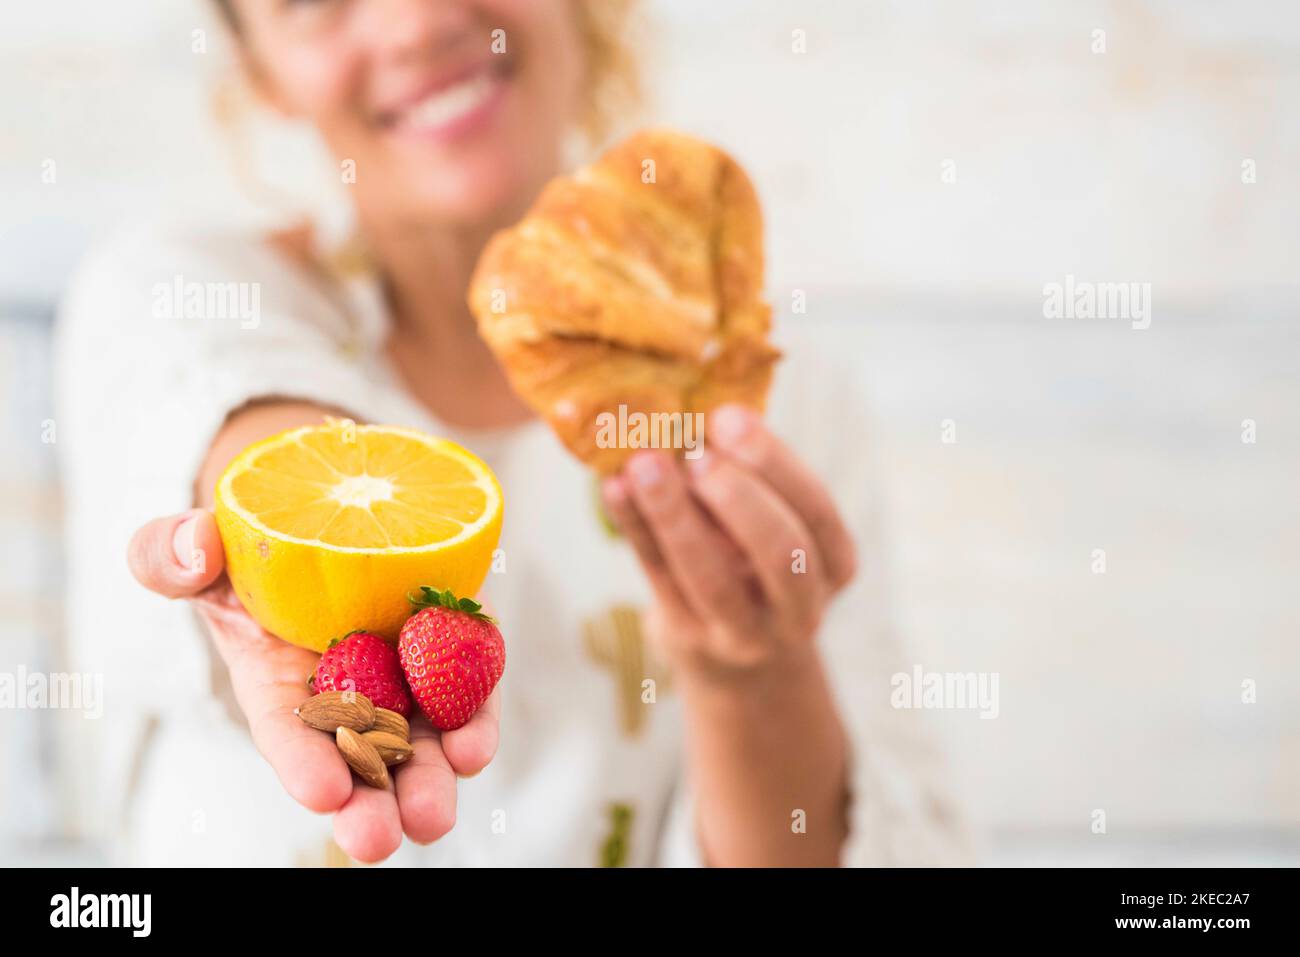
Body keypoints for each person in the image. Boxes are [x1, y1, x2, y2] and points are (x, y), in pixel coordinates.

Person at [55, 0, 967, 866]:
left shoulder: (775, 414)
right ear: (264, 77)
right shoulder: (179, 289)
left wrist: (752, 679)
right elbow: (240, 397)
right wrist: (302, 515)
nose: (415, 23)